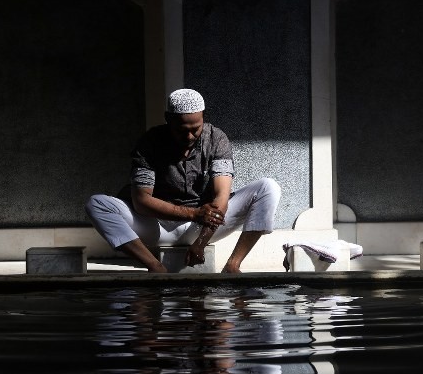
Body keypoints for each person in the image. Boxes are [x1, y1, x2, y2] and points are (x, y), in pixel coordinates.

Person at [85, 88, 281, 273]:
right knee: (97, 204)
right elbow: (141, 201)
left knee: (268, 187)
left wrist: (201, 242)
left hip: (204, 225)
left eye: (195, 129)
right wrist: (193, 213)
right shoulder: (150, 142)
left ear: (203, 117)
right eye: (181, 130)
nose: (189, 136)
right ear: (168, 119)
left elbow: (221, 197)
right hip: (157, 225)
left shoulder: (216, 138)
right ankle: (155, 267)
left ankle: (232, 265)